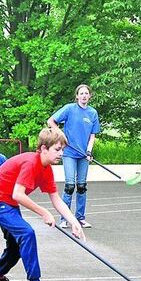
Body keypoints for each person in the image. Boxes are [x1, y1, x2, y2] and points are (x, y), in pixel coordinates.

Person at [0, 128, 84, 281]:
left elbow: (56, 198)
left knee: (16, 244)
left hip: (8, 203)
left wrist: (73, 221)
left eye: (62, 150)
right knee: (27, 233)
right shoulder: (31, 163)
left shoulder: (46, 169)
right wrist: (44, 213)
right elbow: (18, 194)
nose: (61, 154)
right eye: (57, 149)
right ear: (44, 148)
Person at [47, 84, 100, 229]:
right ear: (77, 96)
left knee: (81, 186)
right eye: (81, 93)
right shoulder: (69, 108)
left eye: (86, 93)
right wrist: (61, 135)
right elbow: (51, 121)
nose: (83, 96)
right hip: (69, 153)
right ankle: (64, 218)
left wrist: (89, 151)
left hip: (83, 155)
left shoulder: (92, 113)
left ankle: (80, 218)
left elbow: (92, 136)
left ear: (90, 96)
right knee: (70, 186)